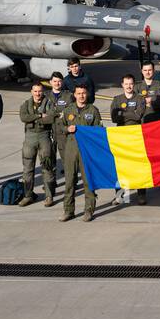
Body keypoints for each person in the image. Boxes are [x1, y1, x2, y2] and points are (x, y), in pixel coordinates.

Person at [58, 85, 102, 222]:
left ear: (87, 94)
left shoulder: (93, 110)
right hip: (71, 147)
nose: (81, 96)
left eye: (83, 93)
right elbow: (60, 126)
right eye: (79, 93)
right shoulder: (68, 110)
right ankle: (68, 211)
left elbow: (98, 130)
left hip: (87, 150)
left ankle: (88, 210)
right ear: (74, 95)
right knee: (69, 181)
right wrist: (67, 128)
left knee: (88, 181)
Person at [110, 73, 149, 204]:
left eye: (131, 84)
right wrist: (131, 113)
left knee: (138, 165)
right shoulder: (117, 99)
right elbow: (114, 117)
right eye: (126, 84)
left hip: (136, 136)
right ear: (122, 85)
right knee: (121, 166)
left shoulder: (140, 99)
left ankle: (141, 195)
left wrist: (123, 113)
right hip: (121, 137)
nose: (128, 86)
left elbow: (138, 116)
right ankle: (121, 196)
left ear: (134, 85)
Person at [17, 82, 56, 206]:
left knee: (47, 167)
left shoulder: (49, 103)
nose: (38, 94)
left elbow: (50, 118)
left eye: (40, 91)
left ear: (42, 91)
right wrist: (39, 116)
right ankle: (28, 195)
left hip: (44, 136)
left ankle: (49, 196)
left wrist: (33, 118)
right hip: (30, 138)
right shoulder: (25, 104)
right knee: (27, 169)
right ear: (31, 91)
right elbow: (23, 117)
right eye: (35, 91)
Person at [46, 72, 71, 182]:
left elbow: (69, 112)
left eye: (59, 81)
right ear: (50, 82)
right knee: (49, 158)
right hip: (49, 131)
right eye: (55, 81)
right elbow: (42, 112)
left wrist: (53, 114)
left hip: (63, 132)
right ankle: (51, 182)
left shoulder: (68, 96)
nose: (57, 83)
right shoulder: (45, 96)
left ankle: (70, 182)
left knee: (66, 158)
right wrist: (58, 114)